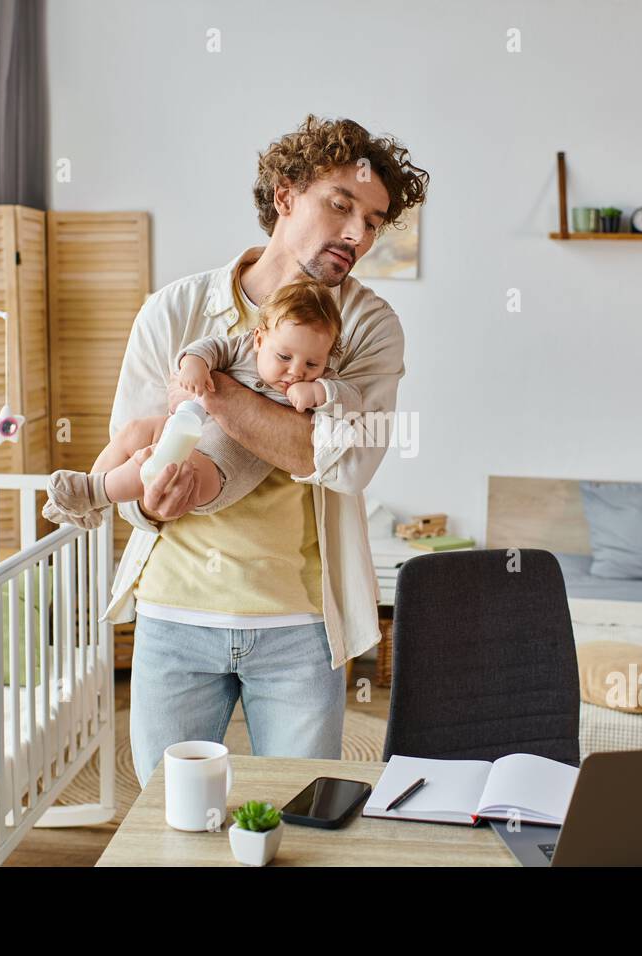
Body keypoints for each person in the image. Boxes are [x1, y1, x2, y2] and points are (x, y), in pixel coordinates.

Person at [101, 114, 429, 786]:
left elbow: (344, 462)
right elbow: (127, 459)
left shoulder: (369, 328)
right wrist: (151, 505)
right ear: (284, 195)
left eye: (373, 221)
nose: (356, 235)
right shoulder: (174, 311)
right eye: (341, 206)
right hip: (174, 614)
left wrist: (217, 391)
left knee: (300, 822)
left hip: (300, 625)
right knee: (174, 826)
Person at [42, 277, 360, 527]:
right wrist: (194, 362)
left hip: (218, 469)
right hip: (189, 428)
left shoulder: (320, 380)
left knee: (155, 461)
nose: (295, 371)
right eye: (284, 356)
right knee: (135, 432)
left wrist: (320, 392)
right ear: (260, 339)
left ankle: (94, 493)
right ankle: (88, 498)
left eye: (311, 364)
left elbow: (352, 401)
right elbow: (212, 346)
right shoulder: (244, 347)